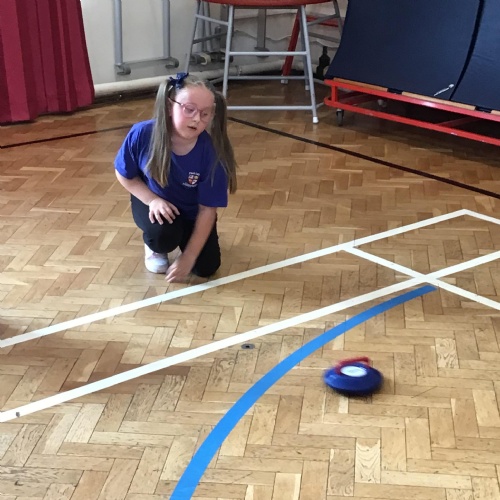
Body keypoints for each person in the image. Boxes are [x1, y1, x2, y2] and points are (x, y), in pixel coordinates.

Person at [114, 73, 237, 282]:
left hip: (192, 211)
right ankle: (155, 247)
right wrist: (152, 200)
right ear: (170, 106)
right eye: (189, 109)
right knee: (163, 236)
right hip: (152, 200)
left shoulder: (212, 154)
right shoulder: (142, 134)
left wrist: (188, 257)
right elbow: (124, 174)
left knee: (206, 267)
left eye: (205, 114)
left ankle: (185, 238)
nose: (197, 119)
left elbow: (207, 209)